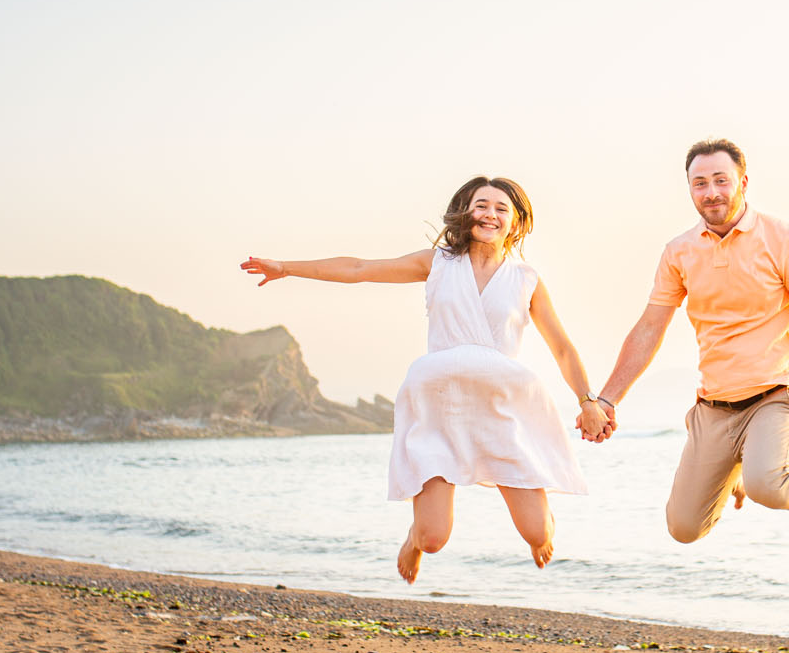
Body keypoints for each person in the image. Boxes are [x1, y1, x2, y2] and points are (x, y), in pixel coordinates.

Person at [241, 176, 609, 584]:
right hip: (439, 406)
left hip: (500, 408)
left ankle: (539, 529)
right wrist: (286, 268)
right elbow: (360, 268)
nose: (490, 214)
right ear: (465, 212)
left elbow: (562, 348)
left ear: (516, 222)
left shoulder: (526, 279)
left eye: (501, 208)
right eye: (481, 205)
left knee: (538, 533)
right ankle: (414, 540)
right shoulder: (438, 263)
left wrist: (587, 401)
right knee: (434, 539)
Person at [586, 139, 789, 572]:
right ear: (690, 189)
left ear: (743, 182)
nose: (711, 192)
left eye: (721, 181)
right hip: (715, 405)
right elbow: (649, 329)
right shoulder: (679, 252)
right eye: (700, 183)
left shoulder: (783, 239)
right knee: (684, 528)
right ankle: (740, 469)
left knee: (770, 485)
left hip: (777, 394)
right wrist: (606, 400)